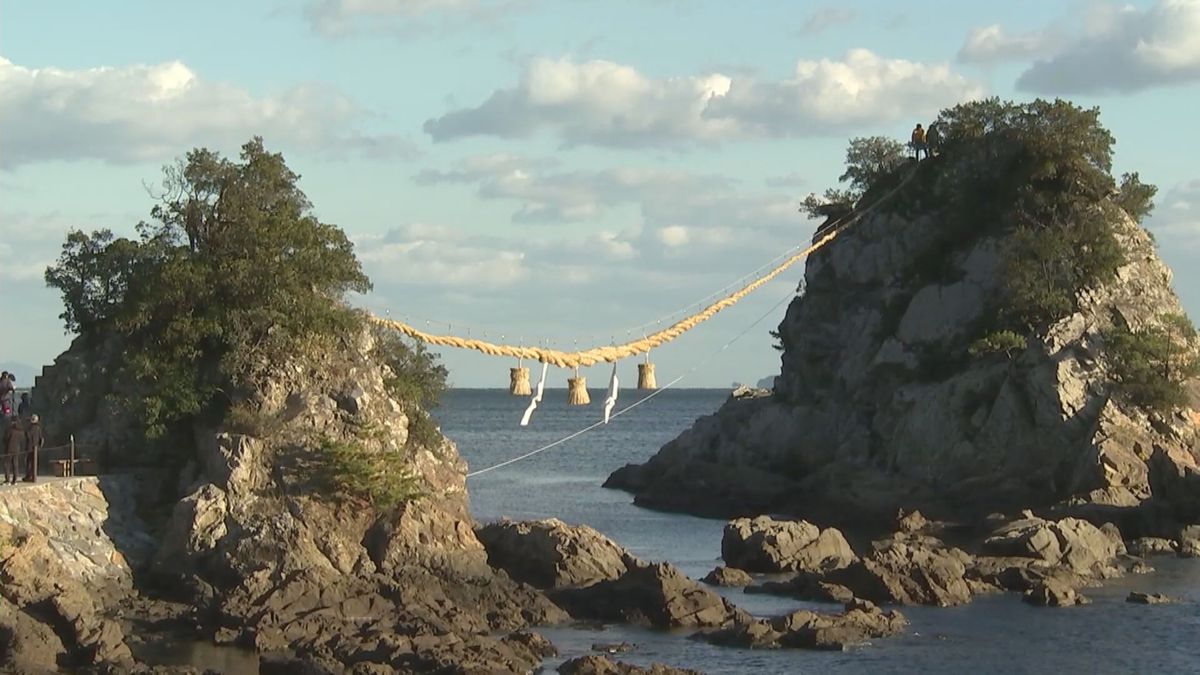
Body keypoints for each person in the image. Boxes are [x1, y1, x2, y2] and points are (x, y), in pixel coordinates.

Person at [2, 417, 23, 485]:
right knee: (15, 464)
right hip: (17, 449)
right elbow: (22, 440)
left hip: (9, 449)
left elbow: (5, 439)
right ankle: (15, 480)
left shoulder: (9, 430)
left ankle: (8, 480)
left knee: (7, 464)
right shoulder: (20, 431)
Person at [24, 414, 42, 483]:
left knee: (29, 462)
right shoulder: (38, 428)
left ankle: (29, 476)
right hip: (36, 447)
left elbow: (28, 436)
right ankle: (33, 476)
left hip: (30, 447)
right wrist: (39, 446)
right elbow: (41, 438)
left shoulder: (30, 428)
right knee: (34, 463)